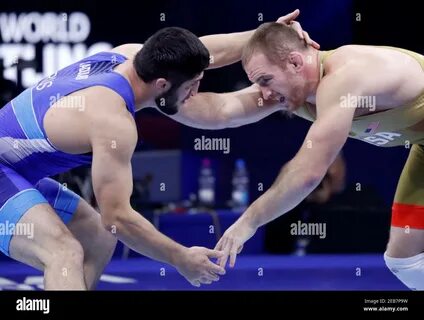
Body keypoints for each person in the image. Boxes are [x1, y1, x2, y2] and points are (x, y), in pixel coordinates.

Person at [0, 10, 315, 289]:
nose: (195, 93)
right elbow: (119, 219)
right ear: (163, 85)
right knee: (63, 252)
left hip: (14, 170)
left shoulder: (126, 57)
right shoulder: (112, 121)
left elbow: (203, 52)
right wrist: (181, 258)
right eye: (192, 86)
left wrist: (265, 35)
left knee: (96, 234)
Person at [214, 22, 424, 290]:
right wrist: (158, 87)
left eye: (265, 80)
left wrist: (249, 221)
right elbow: (217, 110)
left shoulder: (344, 76)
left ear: (294, 62)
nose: (264, 93)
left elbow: (308, 173)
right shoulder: (294, 93)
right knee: (405, 263)